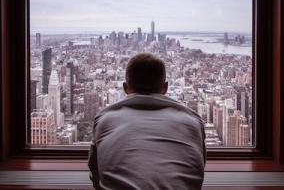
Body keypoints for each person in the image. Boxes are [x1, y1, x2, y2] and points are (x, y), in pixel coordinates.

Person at [88, 53, 206, 189]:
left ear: (125, 88)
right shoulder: (192, 121)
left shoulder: (104, 119)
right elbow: (198, 169)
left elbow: (95, 173)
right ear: (165, 87)